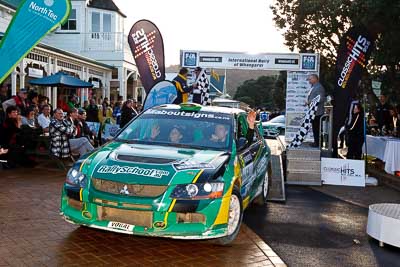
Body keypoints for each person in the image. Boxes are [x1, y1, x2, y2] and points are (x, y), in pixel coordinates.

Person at [306, 74, 326, 147]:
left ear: (315, 79)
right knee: (315, 128)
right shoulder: (314, 87)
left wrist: (310, 101)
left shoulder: (319, 87)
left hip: (317, 112)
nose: (309, 81)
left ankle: (318, 143)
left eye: (310, 79)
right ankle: (316, 142)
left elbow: (321, 98)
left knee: (317, 128)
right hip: (314, 112)